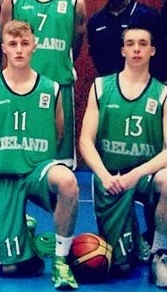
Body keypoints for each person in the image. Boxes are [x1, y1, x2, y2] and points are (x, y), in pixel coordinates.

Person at [0, 20, 79, 289]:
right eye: (13, 44)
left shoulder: (51, 88)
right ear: (4, 48)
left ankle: (61, 261)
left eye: (24, 43)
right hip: (1, 177)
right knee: (11, 269)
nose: (19, 49)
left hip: (37, 172)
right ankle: (24, 232)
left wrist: (36, 159)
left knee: (67, 181)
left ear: (34, 46)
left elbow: (59, 132)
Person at [79, 27, 167, 284]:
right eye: (130, 44)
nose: (136, 49)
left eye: (143, 44)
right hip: (111, 178)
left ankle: (159, 252)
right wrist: (104, 175)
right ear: (122, 50)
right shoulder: (101, 87)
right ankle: (135, 239)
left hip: (144, 176)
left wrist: (135, 174)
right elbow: (85, 141)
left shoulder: (163, 93)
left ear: (152, 51)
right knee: (120, 265)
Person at [0, 0, 86, 167]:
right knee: (23, 153)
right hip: (21, 86)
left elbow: (76, 41)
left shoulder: (74, 0)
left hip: (59, 82)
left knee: (61, 159)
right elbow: (5, 40)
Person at [87, 0, 165, 80]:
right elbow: (96, 56)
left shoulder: (147, 15)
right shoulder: (96, 21)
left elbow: (161, 52)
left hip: (144, 83)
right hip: (109, 84)